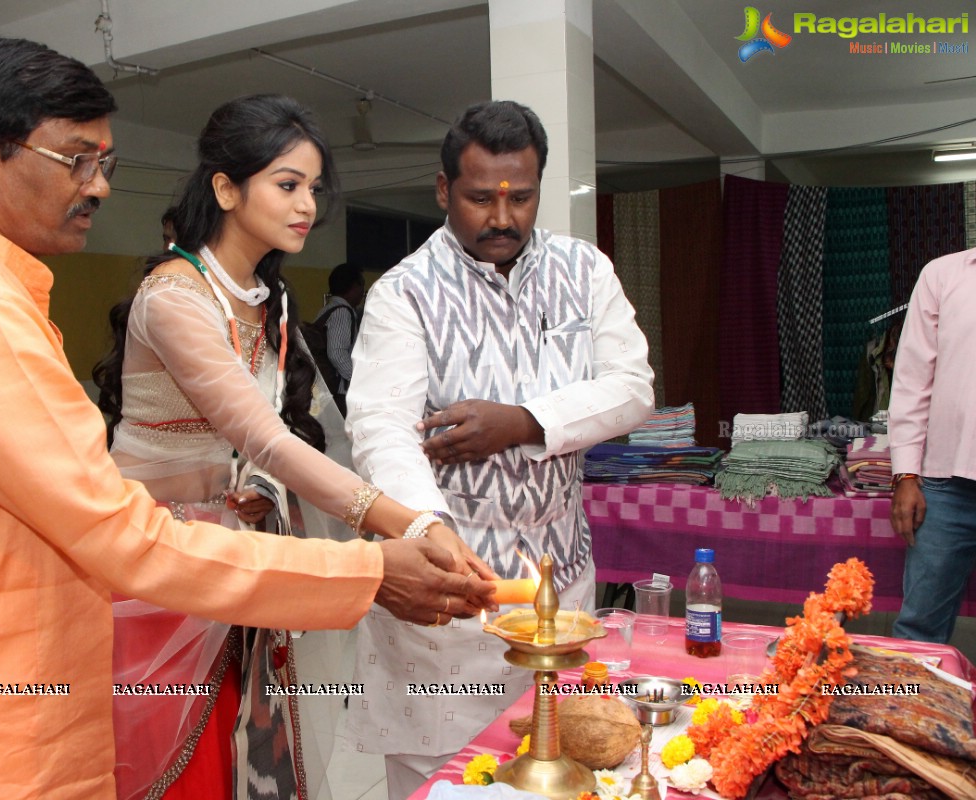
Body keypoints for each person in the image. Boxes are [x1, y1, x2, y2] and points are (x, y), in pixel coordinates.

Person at [0, 38, 493, 800]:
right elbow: (125, 535)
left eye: (103, 162)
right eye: (75, 160)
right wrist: (369, 568)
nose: (99, 187)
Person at [92, 94, 495, 800]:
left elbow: (296, 439)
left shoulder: (266, 300)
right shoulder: (175, 297)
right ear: (225, 188)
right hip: (162, 563)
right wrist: (407, 522)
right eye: (287, 184)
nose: (307, 204)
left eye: (312, 188)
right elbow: (267, 439)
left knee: (256, 751)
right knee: (177, 766)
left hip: (243, 554)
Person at [344, 100, 655, 799]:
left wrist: (522, 420)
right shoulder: (404, 294)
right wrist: (430, 531)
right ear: (443, 189)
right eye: (481, 198)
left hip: (557, 580)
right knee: (444, 783)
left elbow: (633, 388)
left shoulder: (585, 270)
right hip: (450, 591)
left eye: (522, 197)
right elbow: (382, 427)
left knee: (563, 768)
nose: (503, 217)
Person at [889, 249, 976, 643]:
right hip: (946, 487)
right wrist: (905, 475)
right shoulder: (942, 274)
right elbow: (911, 381)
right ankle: (906, 704)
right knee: (920, 628)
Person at [310, 262, 364, 412]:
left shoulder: (328, 309)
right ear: (353, 287)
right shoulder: (342, 312)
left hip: (324, 389)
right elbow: (337, 353)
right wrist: (359, 379)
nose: (362, 292)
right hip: (337, 392)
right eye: (361, 286)